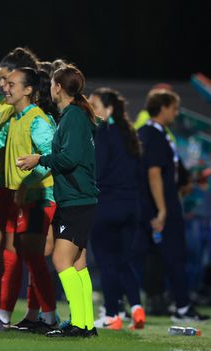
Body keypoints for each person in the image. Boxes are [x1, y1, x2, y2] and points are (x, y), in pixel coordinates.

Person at [16, 65, 99, 337]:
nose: (50, 88)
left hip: (76, 199)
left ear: (58, 87)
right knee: (77, 264)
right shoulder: (74, 114)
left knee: (62, 261)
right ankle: (85, 323)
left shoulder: (73, 115)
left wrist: (38, 159)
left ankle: (80, 325)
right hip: (77, 198)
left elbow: (69, 159)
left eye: (52, 83)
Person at [137, 89, 209, 322]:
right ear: (164, 107)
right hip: (162, 207)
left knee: (148, 256)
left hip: (152, 204)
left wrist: (182, 181)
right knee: (175, 256)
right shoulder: (154, 135)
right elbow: (154, 173)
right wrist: (163, 209)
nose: (176, 113)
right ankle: (182, 307)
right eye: (174, 108)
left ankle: (120, 304)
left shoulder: (148, 133)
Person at [0, 67, 58, 333]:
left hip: (38, 196)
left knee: (33, 257)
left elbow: (51, 159)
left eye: (11, 84)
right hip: (19, 196)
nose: (5, 87)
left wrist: (27, 184)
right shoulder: (16, 117)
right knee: (18, 256)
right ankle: (18, 315)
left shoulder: (37, 119)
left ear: (28, 90)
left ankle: (49, 317)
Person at [88, 88, 146, 330]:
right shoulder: (129, 133)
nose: (91, 108)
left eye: (95, 104)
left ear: (108, 109)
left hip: (107, 206)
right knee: (124, 260)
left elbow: (97, 171)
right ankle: (136, 307)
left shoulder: (105, 133)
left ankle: (112, 314)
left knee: (107, 261)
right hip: (131, 207)